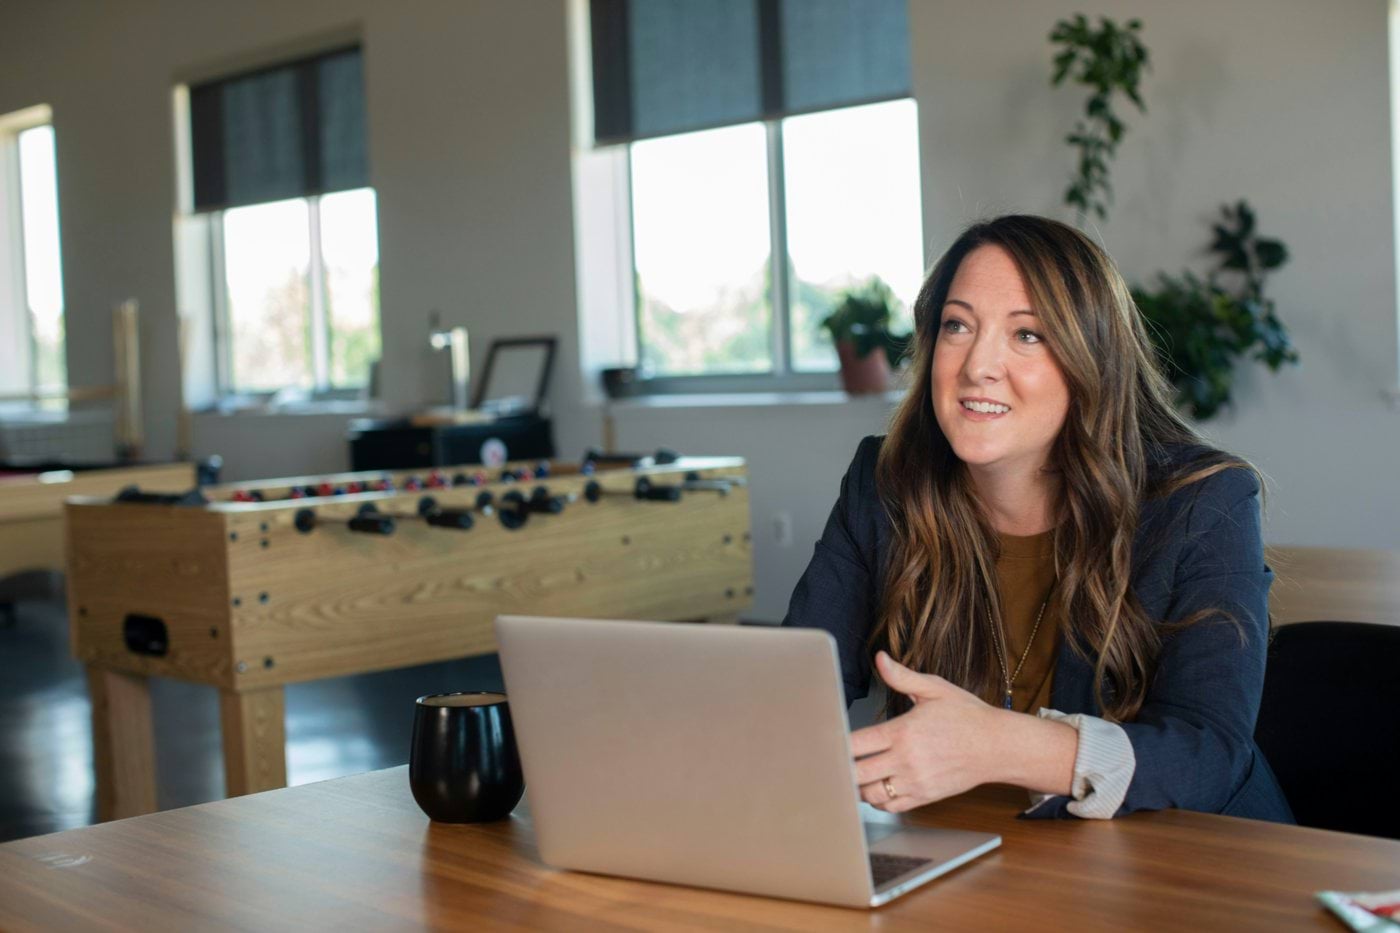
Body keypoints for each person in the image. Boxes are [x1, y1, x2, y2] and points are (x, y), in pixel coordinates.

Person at [782, 215, 1294, 822]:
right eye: (957, 326)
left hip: (1178, 865)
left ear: (1092, 359)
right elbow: (795, 689)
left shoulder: (1202, 502)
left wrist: (998, 747)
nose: (978, 365)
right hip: (965, 855)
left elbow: (1209, 757)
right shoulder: (885, 481)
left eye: (1028, 335)